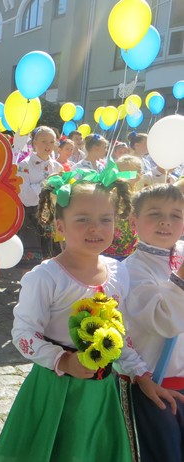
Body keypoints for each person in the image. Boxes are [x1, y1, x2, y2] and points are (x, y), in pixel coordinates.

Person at [0, 175, 180, 461]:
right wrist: (64, 360)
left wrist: (141, 375)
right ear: (60, 227)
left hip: (102, 391)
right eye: (82, 219)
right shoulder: (45, 277)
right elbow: (24, 335)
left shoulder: (119, 272)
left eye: (105, 219)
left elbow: (120, 334)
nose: (95, 228)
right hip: (57, 387)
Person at [121, 184, 184, 461]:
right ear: (134, 222)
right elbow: (164, 321)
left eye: (176, 214)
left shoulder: (180, 254)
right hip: (154, 386)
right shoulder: (132, 269)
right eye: (155, 213)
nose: (165, 221)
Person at [16, 126, 62, 267]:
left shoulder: (57, 167)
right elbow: (26, 198)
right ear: (34, 142)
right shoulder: (24, 165)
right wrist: (47, 184)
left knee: (51, 259)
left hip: (51, 216)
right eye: (43, 141)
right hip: (31, 216)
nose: (48, 145)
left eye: (51, 141)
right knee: (31, 260)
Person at [103, 156, 142, 261]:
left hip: (132, 252)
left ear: (139, 176)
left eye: (127, 173)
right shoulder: (109, 196)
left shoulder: (140, 197)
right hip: (107, 252)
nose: (121, 177)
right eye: (119, 172)